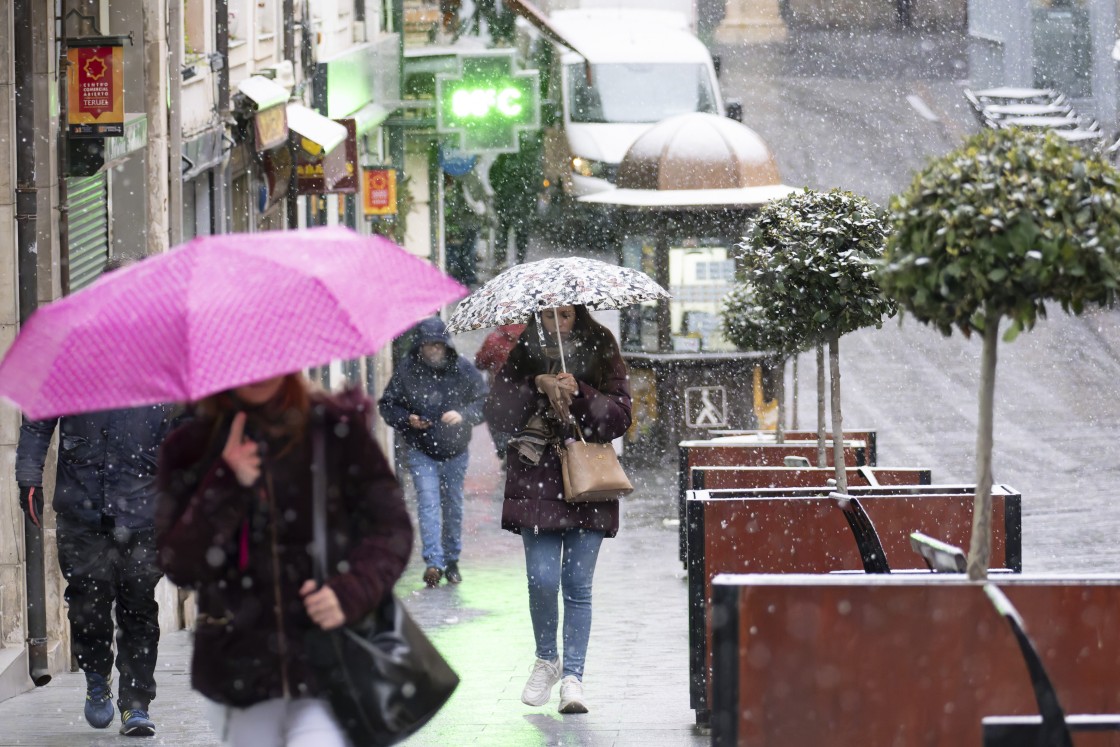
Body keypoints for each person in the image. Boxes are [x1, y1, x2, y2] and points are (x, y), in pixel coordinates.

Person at [155, 373, 412, 747]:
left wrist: (350, 591)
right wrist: (225, 481)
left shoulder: (334, 431)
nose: (258, 372)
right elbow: (179, 564)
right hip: (240, 666)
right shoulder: (190, 448)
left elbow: (391, 529)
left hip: (332, 655)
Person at [483, 305, 632, 714]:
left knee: (578, 584)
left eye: (565, 315)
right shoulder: (525, 351)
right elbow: (496, 414)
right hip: (537, 480)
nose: (558, 323)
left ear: (578, 315)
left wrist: (579, 392)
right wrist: (536, 383)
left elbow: (619, 419)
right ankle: (547, 659)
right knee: (542, 580)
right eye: (549, 316)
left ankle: (574, 679)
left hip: (588, 480)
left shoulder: (602, 345)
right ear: (538, 318)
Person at [16, 401, 180, 736]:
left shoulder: (163, 370)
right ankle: (96, 674)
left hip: (144, 508)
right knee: (86, 603)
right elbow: (38, 419)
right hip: (81, 505)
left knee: (139, 607)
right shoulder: (74, 361)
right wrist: (29, 476)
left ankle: (136, 705)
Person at [379, 317, 488, 588]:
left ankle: (451, 560)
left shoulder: (462, 369)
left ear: (445, 345)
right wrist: (409, 418)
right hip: (420, 448)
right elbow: (388, 405)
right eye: (428, 346)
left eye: (438, 345)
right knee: (428, 502)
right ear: (420, 346)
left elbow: (485, 401)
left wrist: (463, 415)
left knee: (452, 505)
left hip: (455, 450)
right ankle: (433, 562)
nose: (433, 351)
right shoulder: (406, 370)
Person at [474, 322, 527, 458]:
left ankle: (504, 449)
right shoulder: (530, 336)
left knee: (496, 419)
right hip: (523, 388)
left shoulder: (494, 339)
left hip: (498, 388)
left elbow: (480, 363)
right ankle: (517, 449)